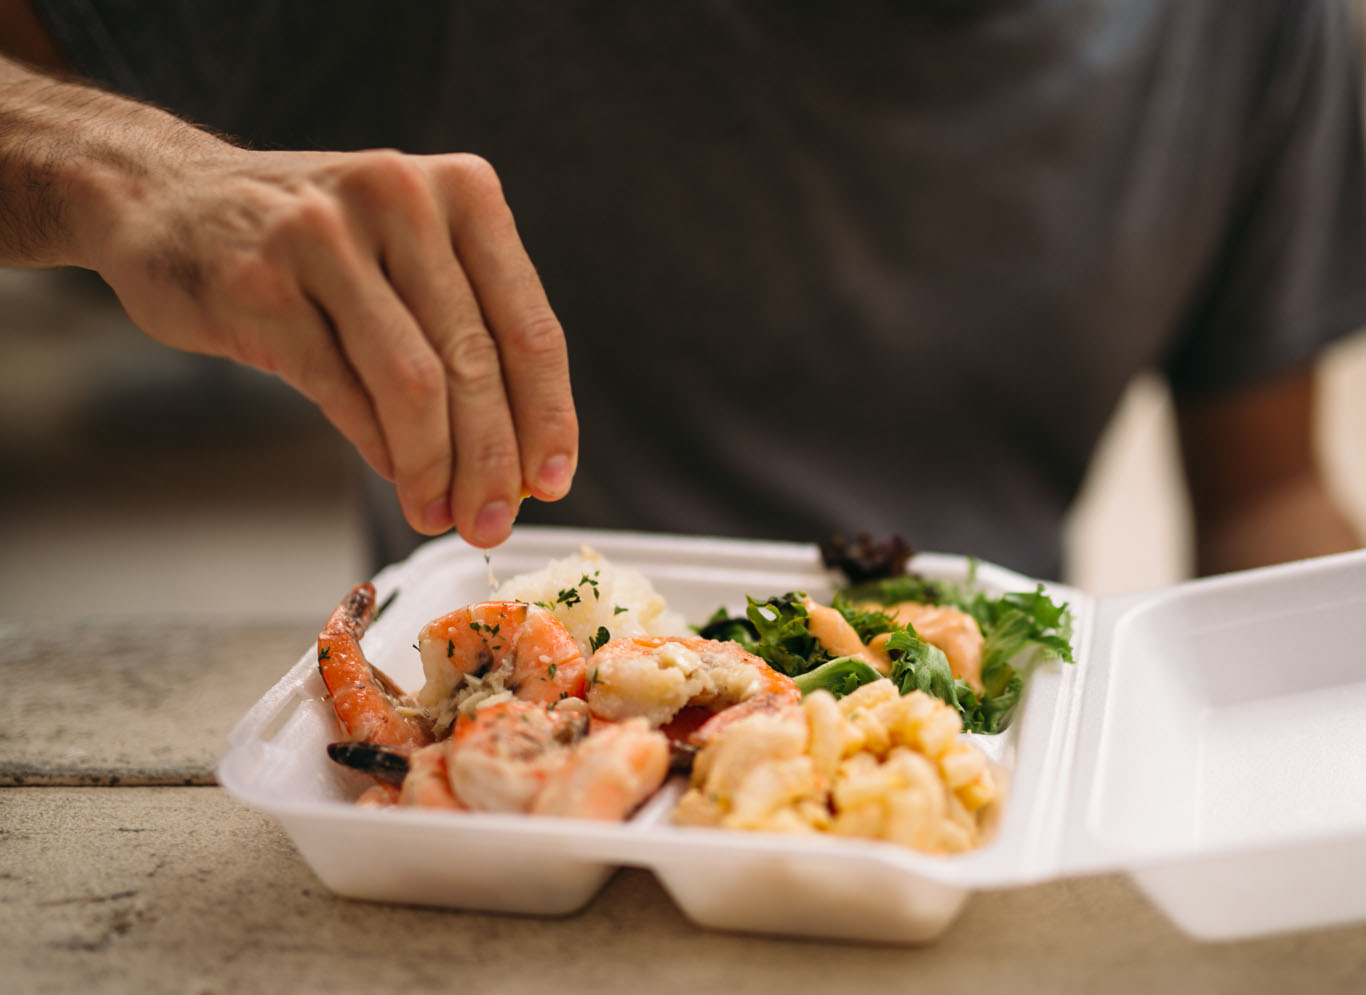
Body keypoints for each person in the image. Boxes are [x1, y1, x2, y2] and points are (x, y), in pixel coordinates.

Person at [1, 0, 1362, 582]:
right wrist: (135, 175)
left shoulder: (1251, 26)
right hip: (501, 838)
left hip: (968, 797)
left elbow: (1263, 489)